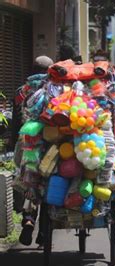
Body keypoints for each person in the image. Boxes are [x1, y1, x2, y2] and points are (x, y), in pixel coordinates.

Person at [14, 55, 54, 246]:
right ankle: (46, 227)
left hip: (27, 145)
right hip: (51, 145)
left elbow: (15, 125)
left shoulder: (22, 92)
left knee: (27, 181)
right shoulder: (56, 90)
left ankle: (29, 218)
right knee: (49, 181)